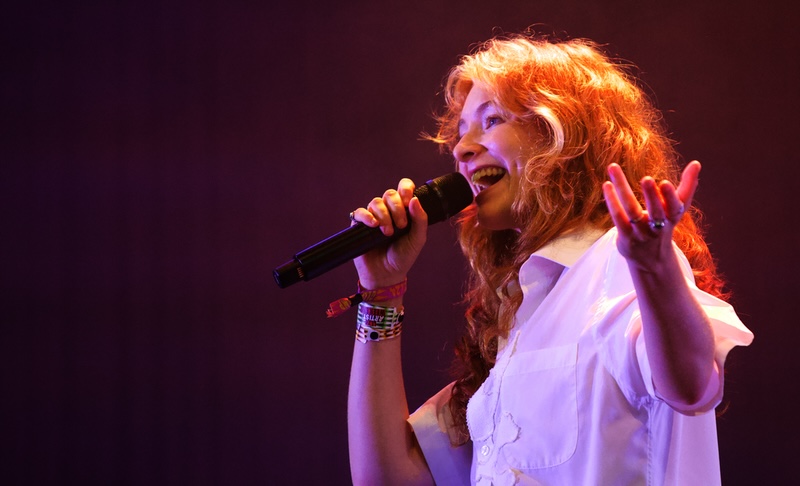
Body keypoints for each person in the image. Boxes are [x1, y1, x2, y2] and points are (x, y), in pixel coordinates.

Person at [344, 35, 753, 485]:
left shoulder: (617, 265)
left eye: (492, 119)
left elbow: (692, 385)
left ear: (566, 138)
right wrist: (381, 296)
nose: (461, 149)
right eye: (461, 132)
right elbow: (386, 478)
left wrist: (654, 268)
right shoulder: (518, 315)